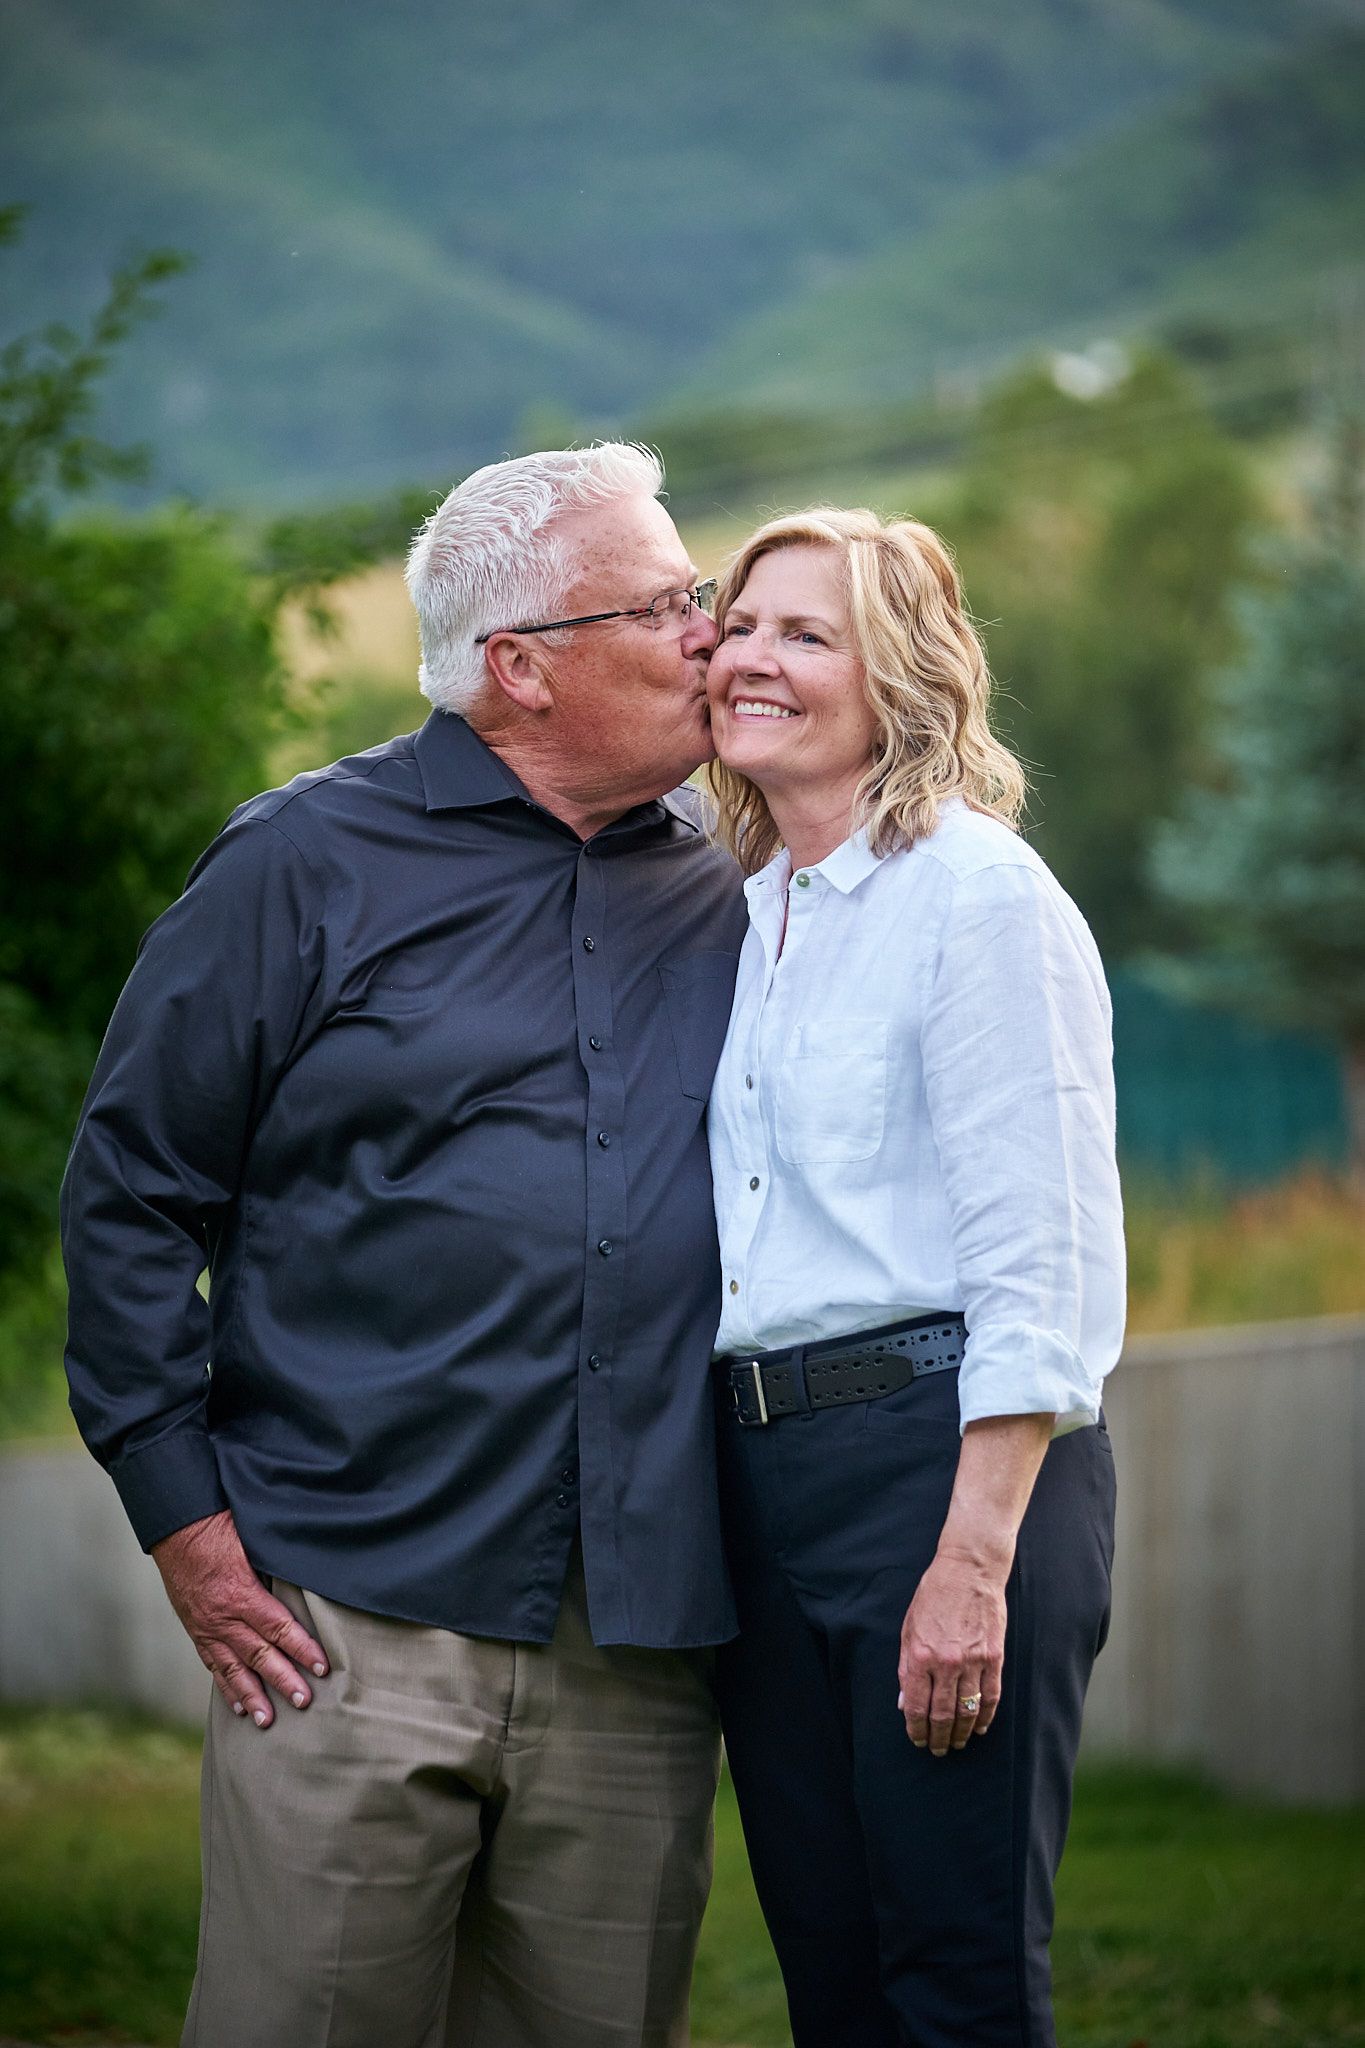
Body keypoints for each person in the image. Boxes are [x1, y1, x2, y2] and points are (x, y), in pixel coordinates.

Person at [60, 443, 749, 2048]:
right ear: (520, 669)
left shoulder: (734, 890)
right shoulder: (300, 862)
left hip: (641, 1637)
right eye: (666, 602)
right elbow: (135, 1192)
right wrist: (191, 1531)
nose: (708, 631)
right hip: (341, 1615)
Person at [703, 506, 1124, 2047]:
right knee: (830, 1977)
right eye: (740, 624)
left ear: (903, 680)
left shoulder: (977, 895)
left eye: (804, 634)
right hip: (766, 1482)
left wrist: (970, 1562)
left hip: (940, 1469)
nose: (751, 656)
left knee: (948, 1981)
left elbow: (1044, 1251)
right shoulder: (742, 918)